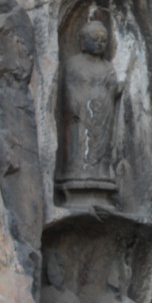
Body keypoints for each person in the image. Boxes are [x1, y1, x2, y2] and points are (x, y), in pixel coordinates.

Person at [56, 20, 121, 197]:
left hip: (103, 114)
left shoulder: (107, 67)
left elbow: (112, 88)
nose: (99, 43)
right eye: (95, 38)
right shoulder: (73, 64)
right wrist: (74, 106)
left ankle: (101, 172)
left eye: (103, 40)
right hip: (80, 115)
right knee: (79, 143)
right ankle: (75, 172)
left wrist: (116, 90)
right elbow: (68, 88)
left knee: (102, 145)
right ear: (83, 41)